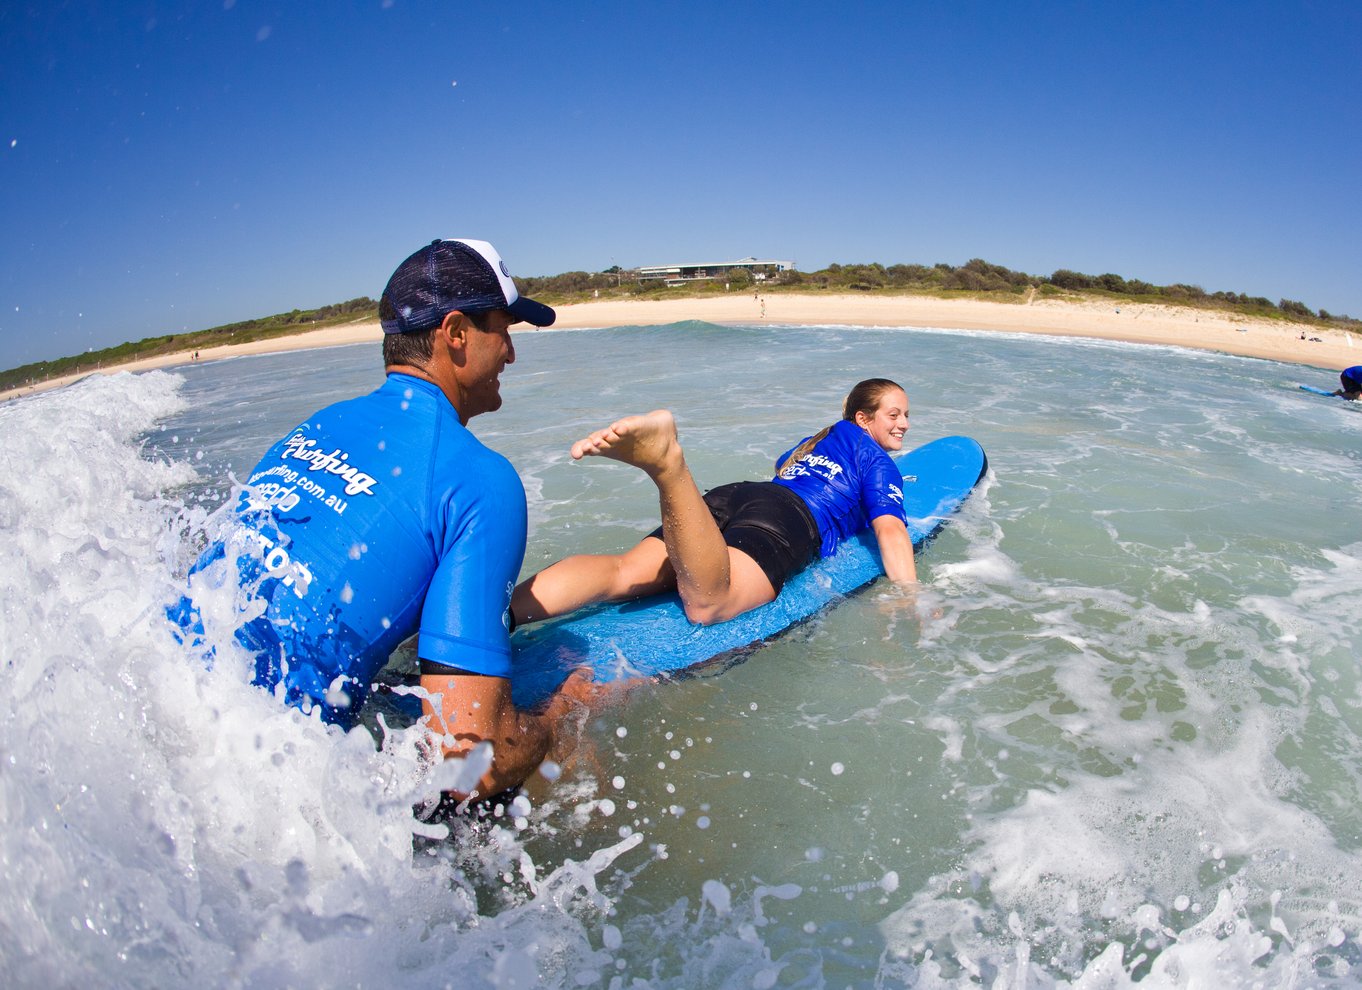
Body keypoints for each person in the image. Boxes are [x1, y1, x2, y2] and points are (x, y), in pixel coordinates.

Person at [173, 238, 594, 802]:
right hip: (250, 784)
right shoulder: (478, 479)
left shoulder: (318, 425)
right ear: (457, 334)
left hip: (161, 694)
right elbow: (470, 763)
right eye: (504, 329)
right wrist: (563, 711)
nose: (512, 354)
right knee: (534, 764)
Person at [511, 378, 917, 629]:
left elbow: (783, 469)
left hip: (738, 495)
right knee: (709, 603)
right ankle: (669, 467)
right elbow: (891, 531)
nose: (904, 424)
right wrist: (909, 597)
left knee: (623, 571)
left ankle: (500, 615)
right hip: (787, 519)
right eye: (894, 415)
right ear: (864, 419)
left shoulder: (818, 440)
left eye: (906, 416)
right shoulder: (877, 461)